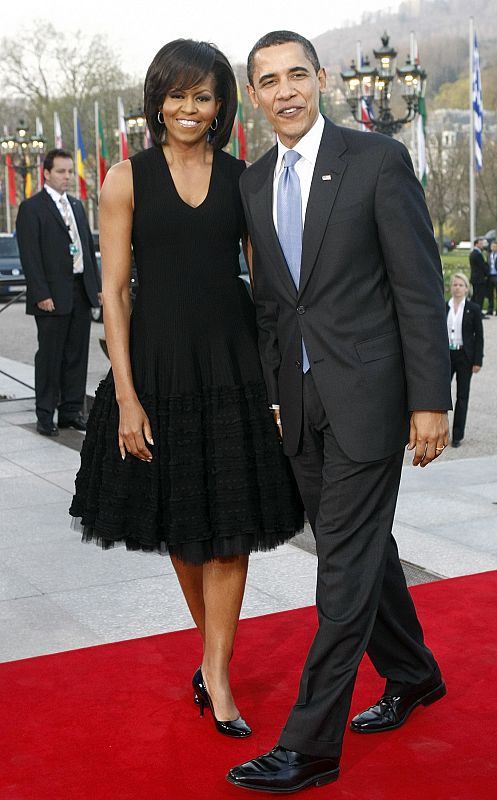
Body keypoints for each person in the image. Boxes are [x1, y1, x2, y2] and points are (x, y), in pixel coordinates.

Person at [227, 31, 452, 793]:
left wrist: (429, 401)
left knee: (342, 569)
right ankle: (414, 673)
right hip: (300, 404)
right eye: (268, 80)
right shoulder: (254, 184)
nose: (284, 90)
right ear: (253, 96)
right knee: (362, 549)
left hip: (368, 399)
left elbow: (417, 289)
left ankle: (310, 744)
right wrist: (273, 394)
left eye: (296, 74)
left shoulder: (375, 162)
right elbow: (269, 307)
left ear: (320, 79)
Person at [69, 39, 303, 738]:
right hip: (159, 370)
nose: (188, 108)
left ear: (222, 105)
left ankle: (218, 675)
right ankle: (214, 657)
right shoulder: (124, 179)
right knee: (182, 526)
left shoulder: (246, 180)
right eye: (176, 95)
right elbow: (112, 295)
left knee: (229, 533)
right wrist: (129, 397)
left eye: (202, 96)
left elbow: (266, 291)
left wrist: (277, 384)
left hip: (232, 369)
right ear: (157, 100)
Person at [16, 149, 101, 436]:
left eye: (69, 172)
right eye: (62, 172)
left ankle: (71, 412)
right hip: (51, 296)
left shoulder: (76, 206)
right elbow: (30, 256)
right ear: (47, 173)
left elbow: (88, 249)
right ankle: (45, 415)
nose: (68, 177)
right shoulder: (32, 208)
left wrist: (96, 288)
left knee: (77, 357)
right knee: (50, 358)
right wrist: (41, 293)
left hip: (80, 292)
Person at [447, 272, 484, 447]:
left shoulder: (473, 309)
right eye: (455, 284)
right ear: (450, 287)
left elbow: (480, 337)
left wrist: (478, 360)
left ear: (466, 288)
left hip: (464, 356)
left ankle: (457, 435)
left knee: (462, 396)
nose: (457, 288)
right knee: (438, 394)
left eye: (461, 285)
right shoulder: (443, 307)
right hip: (445, 356)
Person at [469, 237, 489, 316]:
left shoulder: (474, 253)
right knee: (479, 297)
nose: (482, 245)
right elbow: (482, 266)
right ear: (476, 244)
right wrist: (487, 272)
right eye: (481, 244)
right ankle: (478, 313)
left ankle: (474, 312)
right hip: (479, 279)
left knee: (475, 296)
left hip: (475, 278)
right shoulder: (477, 254)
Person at [487, 240, 497, 315]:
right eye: (492, 246)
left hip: (496, 276)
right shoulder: (489, 255)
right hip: (490, 276)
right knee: (490, 294)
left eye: (494, 246)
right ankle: (490, 309)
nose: (493, 248)